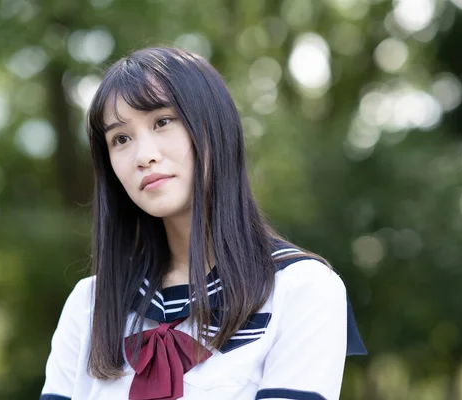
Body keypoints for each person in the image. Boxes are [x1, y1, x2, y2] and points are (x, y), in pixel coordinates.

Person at [40, 46, 366, 400]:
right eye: (121, 139)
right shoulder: (89, 304)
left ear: (214, 127)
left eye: (162, 122)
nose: (143, 156)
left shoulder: (300, 289)